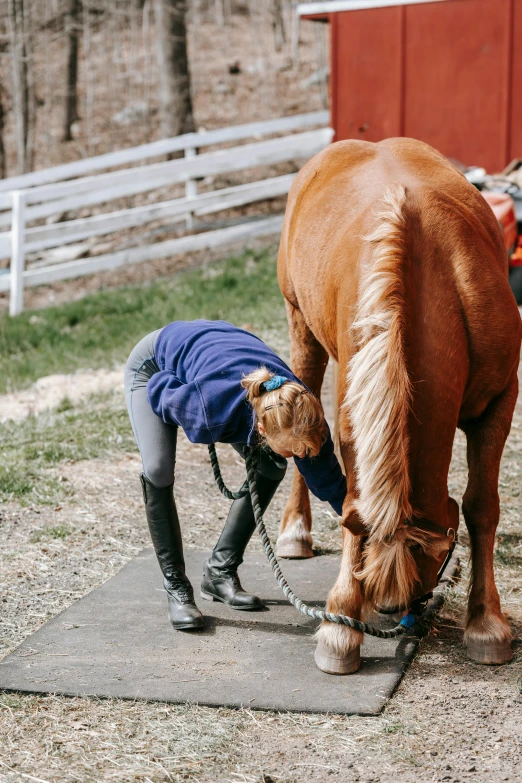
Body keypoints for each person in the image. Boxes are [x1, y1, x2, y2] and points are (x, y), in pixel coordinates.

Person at [124, 320, 346, 630]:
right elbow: (159, 387)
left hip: (220, 351)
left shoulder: (303, 413)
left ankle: (219, 572)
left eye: (302, 452)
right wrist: (191, 375)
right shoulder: (205, 411)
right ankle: (176, 587)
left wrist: (371, 527)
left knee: (271, 464)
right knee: (158, 469)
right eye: (290, 450)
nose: (299, 457)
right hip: (155, 368)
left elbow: (331, 486)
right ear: (260, 428)